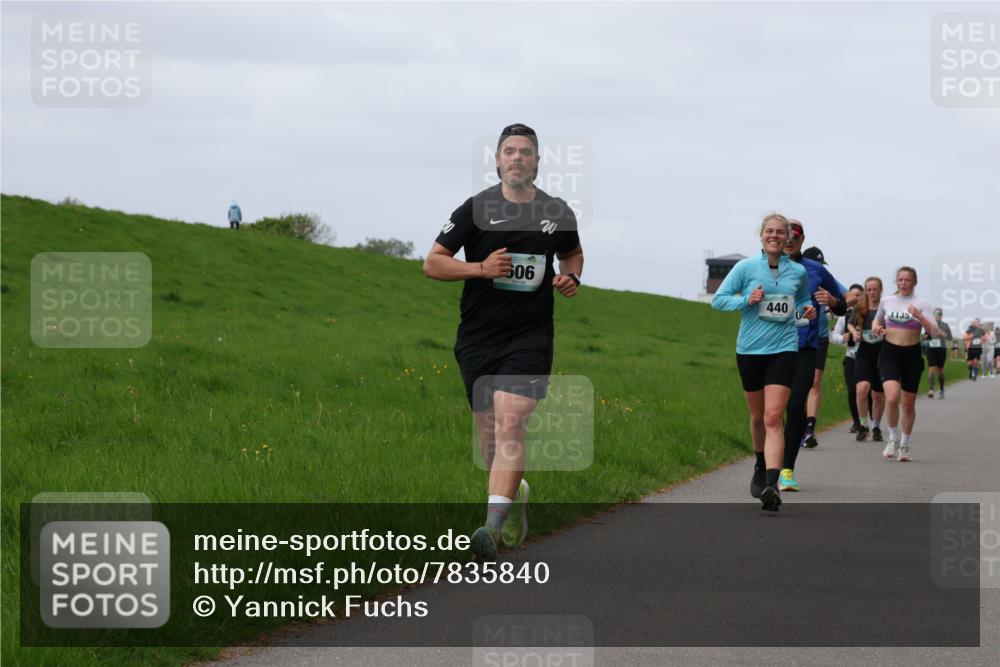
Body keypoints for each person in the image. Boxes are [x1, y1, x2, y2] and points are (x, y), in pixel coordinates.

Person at [423, 123, 583, 560]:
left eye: (525, 152)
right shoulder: (476, 209)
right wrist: (479, 269)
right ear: (496, 160)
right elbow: (433, 263)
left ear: (536, 161)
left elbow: (571, 253)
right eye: (509, 151)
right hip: (477, 336)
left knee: (512, 420)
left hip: (530, 335)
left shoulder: (557, 211)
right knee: (490, 438)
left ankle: (490, 529)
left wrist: (571, 276)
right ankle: (513, 495)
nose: (517, 158)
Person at [712, 213, 814, 511]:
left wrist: (807, 311)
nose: (775, 236)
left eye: (781, 232)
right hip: (750, 350)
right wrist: (747, 301)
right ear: (761, 235)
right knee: (757, 418)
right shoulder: (745, 267)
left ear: (788, 238)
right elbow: (719, 300)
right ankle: (759, 463)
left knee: (773, 417)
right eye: (770, 231)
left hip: (784, 349)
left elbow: (804, 300)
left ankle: (772, 483)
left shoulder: (797, 272)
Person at [778, 223, 847, 492]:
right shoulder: (763, 266)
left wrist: (832, 301)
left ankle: (786, 470)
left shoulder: (816, 269)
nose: (789, 241)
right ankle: (764, 464)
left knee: (795, 407)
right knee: (769, 413)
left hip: (805, 347)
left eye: (795, 237)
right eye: (785, 236)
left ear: (801, 239)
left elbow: (841, 305)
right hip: (770, 348)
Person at [873, 266, 941, 461]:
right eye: (900, 280)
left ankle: (905, 444)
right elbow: (876, 322)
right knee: (892, 398)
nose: (903, 283)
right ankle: (892, 439)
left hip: (911, 355)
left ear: (914, 282)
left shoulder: (922, 303)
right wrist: (877, 328)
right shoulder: (887, 301)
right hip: (889, 353)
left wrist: (919, 316)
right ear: (896, 281)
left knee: (908, 405)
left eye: (907, 280)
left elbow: (934, 332)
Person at [800, 246, 853, 448]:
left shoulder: (822, 276)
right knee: (793, 385)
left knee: (814, 382)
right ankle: (794, 425)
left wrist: (832, 302)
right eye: (818, 264)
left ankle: (809, 429)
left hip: (819, 336)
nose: (820, 268)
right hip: (791, 336)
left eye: (822, 265)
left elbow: (849, 296)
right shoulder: (793, 273)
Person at [849, 277, 887, 443]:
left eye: (875, 289)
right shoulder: (860, 307)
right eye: (869, 289)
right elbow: (850, 323)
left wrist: (887, 331)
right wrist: (855, 332)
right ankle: (863, 425)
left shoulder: (886, 308)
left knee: (878, 395)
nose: (872, 293)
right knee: (862, 389)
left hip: (882, 354)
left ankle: (876, 426)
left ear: (880, 290)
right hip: (864, 352)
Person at [832, 285, 866, 431]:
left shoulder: (870, 314)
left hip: (868, 357)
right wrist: (842, 338)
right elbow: (833, 336)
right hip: (851, 356)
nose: (855, 298)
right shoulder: (844, 316)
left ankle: (867, 419)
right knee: (853, 390)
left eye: (858, 295)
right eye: (852, 295)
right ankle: (856, 421)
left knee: (866, 391)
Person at [924, 308, 953, 398]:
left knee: (940, 371)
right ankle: (931, 389)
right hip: (931, 349)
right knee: (932, 369)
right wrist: (927, 336)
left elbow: (950, 338)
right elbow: (926, 336)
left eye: (939, 314)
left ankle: (941, 389)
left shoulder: (945, 325)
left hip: (941, 349)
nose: (937, 316)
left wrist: (943, 334)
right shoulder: (930, 324)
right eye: (935, 314)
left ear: (941, 315)